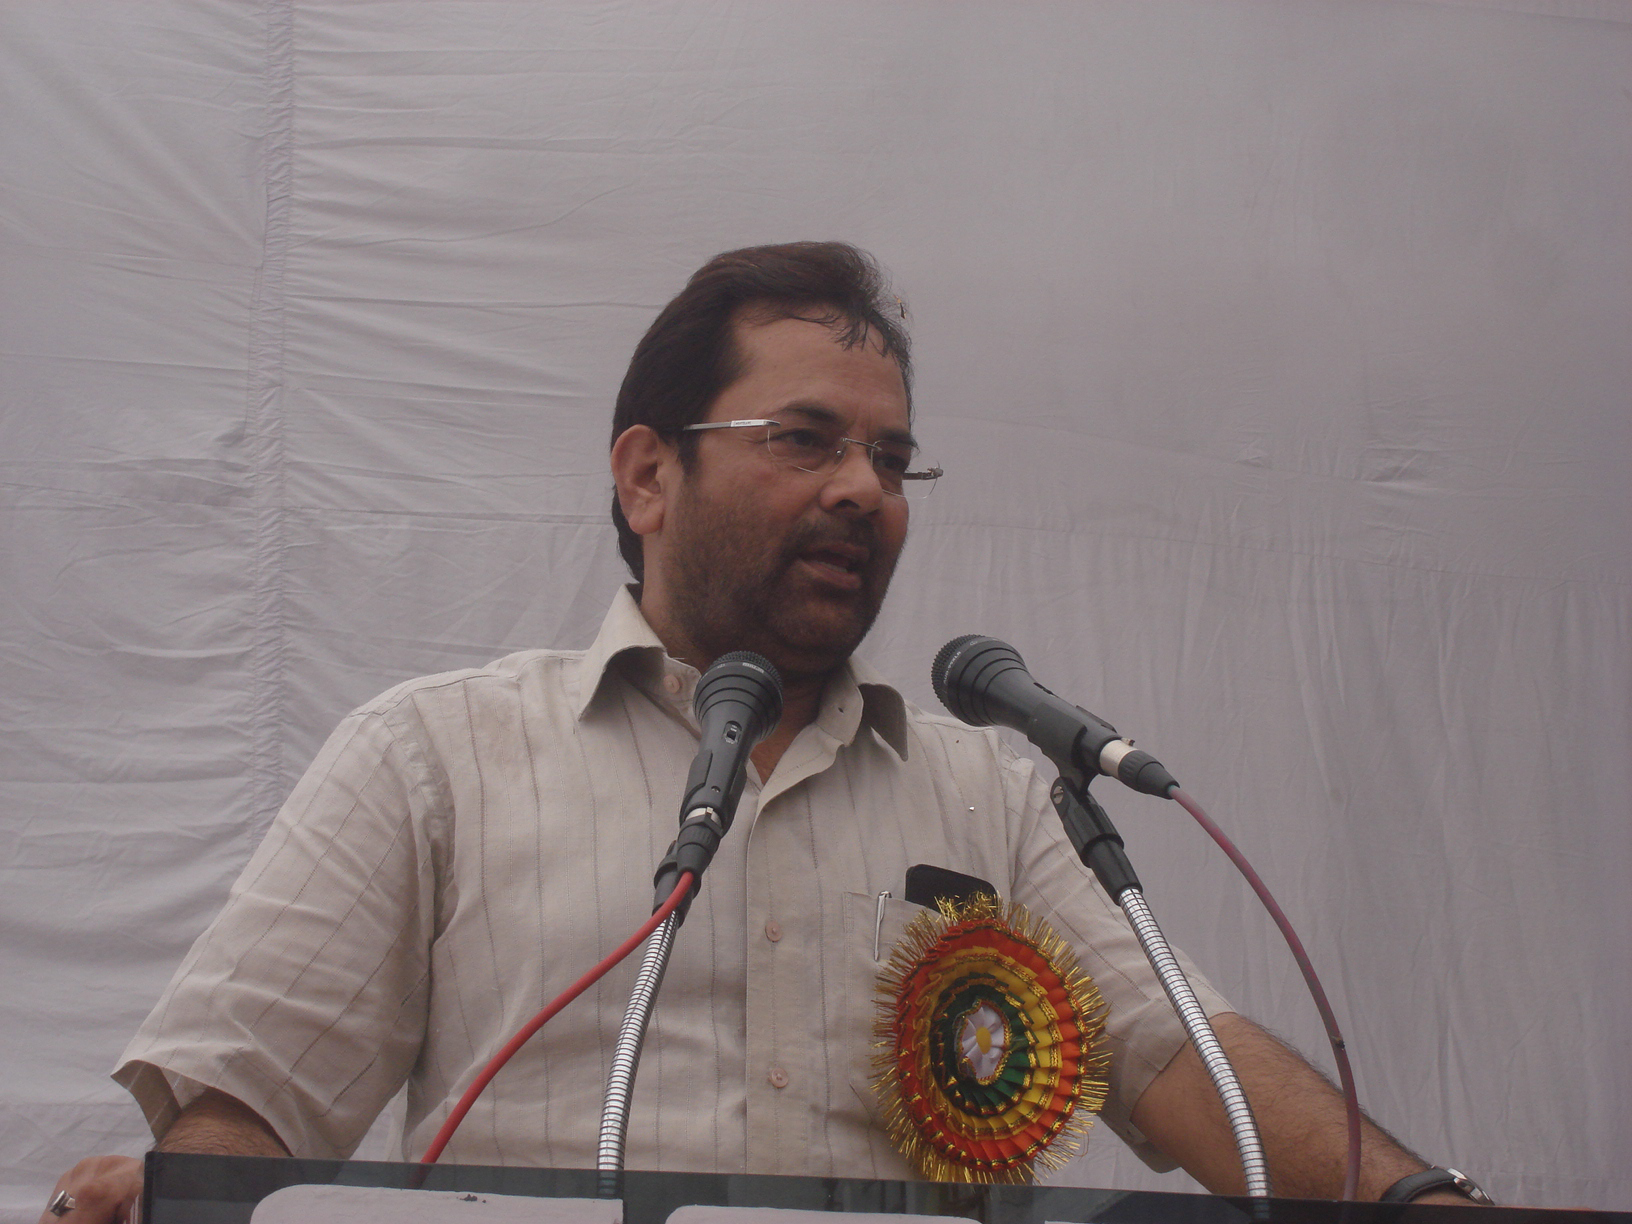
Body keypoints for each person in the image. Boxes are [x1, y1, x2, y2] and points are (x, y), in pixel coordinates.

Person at [40, 242, 1489, 1223]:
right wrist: (182, 1200)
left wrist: (1426, 1209)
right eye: (806, 440)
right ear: (646, 474)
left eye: (891, 456)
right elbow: (248, 1109)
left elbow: (1187, 1069)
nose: (866, 488)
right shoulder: (439, 756)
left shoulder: (986, 791)